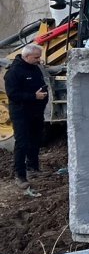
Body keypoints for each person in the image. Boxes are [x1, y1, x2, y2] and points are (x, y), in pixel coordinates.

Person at [5, 44, 47, 194]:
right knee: (22, 143)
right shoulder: (13, 72)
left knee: (35, 140)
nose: (39, 60)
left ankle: (33, 167)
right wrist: (34, 97)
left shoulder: (35, 68)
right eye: (36, 57)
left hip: (36, 112)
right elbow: (13, 94)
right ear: (26, 56)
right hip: (21, 113)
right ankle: (20, 176)